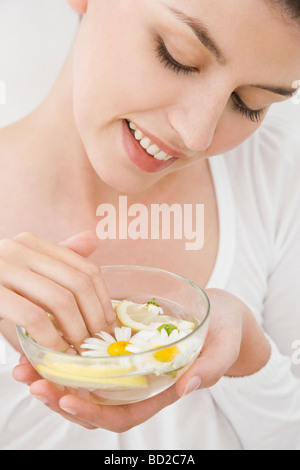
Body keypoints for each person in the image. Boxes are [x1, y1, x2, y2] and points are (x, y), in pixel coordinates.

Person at [0, 0, 299, 450]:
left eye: (249, 103)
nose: (197, 135)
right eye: (176, 56)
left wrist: (249, 353)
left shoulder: (276, 176)